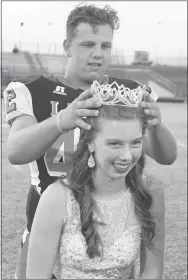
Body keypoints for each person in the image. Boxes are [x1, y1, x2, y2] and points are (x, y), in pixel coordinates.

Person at [3, 3, 176, 279]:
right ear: (67, 46)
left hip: (111, 227)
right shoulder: (30, 88)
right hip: (46, 224)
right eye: (87, 44)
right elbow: (15, 151)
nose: (98, 54)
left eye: (105, 46)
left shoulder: (127, 92)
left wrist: (157, 126)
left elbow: (167, 156)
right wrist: (63, 119)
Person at [26, 83, 165, 279]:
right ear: (90, 142)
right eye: (115, 143)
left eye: (135, 142)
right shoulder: (56, 198)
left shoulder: (150, 192)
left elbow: (152, 271)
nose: (127, 156)